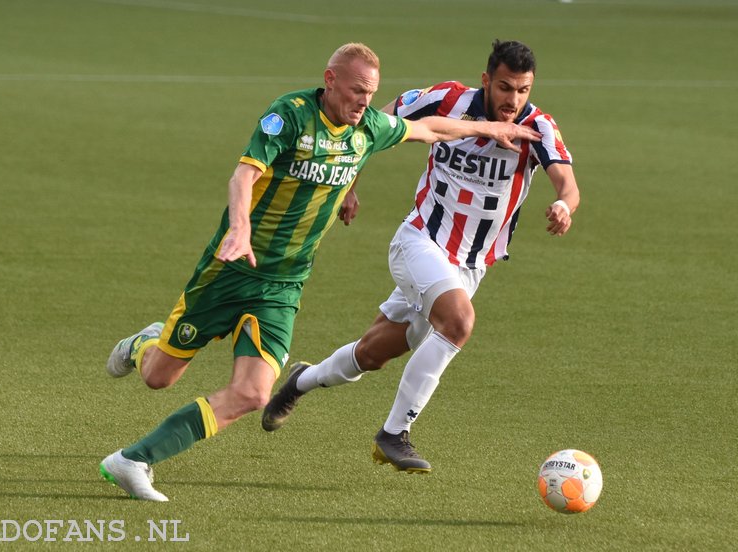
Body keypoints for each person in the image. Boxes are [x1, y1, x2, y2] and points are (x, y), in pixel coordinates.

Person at [99, 42, 541, 501]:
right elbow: (243, 175)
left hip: (284, 284)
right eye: (356, 91)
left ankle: (134, 459)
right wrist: (240, 228)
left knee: (252, 394)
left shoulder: (368, 127)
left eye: (371, 93)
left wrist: (489, 125)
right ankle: (143, 344)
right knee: (158, 376)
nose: (364, 102)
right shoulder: (289, 116)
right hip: (232, 268)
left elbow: (428, 128)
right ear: (330, 81)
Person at [262, 39, 580, 474]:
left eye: (523, 90)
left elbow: (568, 182)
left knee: (372, 354)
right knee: (459, 322)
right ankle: (394, 434)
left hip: (470, 266)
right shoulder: (447, 99)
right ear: (487, 80)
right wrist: (349, 180)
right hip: (419, 241)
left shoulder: (538, 126)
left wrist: (564, 204)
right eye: (505, 88)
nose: (513, 100)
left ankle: (300, 380)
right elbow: (375, 123)